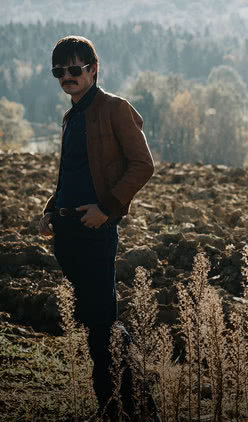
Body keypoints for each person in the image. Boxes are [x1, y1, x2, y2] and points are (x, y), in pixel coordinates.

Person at [37, 35, 155, 419]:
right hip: (68, 234)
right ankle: (119, 408)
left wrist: (106, 208)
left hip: (95, 232)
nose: (67, 77)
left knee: (103, 325)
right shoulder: (73, 115)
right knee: (95, 324)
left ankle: (131, 408)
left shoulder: (114, 109)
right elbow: (73, 172)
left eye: (74, 69)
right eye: (60, 71)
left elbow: (142, 164)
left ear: (93, 68)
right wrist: (50, 209)